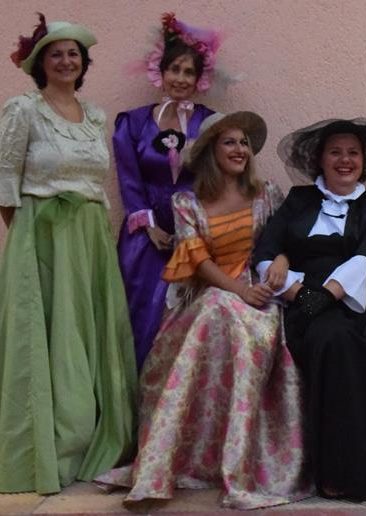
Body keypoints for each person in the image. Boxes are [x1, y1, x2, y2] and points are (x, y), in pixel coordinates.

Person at [96, 111, 309, 509]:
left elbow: (283, 240)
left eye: (244, 143)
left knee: (233, 320)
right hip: (211, 291)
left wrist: (280, 260)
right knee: (216, 308)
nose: (240, 149)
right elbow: (198, 260)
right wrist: (238, 291)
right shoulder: (187, 202)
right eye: (230, 142)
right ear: (212, 151)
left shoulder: (267, 194)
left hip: (261, 294)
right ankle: (163, 465)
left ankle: (239, 467)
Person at [0, 15, 137, 494]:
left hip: (89, 236)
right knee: (49, 334)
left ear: (83, 63)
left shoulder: (95, 115)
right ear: (40, 63)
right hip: (42, 234)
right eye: (55, 54)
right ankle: (47, 447)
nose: (65, 61)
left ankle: (92, 439)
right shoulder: (24, 110)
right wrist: (28, 242)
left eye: (73, 54)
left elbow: (95, 180)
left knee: (86, 331)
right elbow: (5, 180)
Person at [253, 118, 366, 500]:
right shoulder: (298, 199)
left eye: (353, 153)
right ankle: (335, 469)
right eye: (335, 152)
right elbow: (266, 250)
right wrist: (297, 291)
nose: (345, 160)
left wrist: (327, 295)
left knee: (362, 345)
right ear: (320, 159)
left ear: (364, 160)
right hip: (302, 298)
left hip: (357, 297)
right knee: (331, 340)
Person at [115, 13, 220, 370]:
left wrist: (194, 231)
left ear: (199, 78)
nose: (180, 78)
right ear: (160, 71)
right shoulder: (133, 122)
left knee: (186, 316)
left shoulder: (210, 122)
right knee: (141, 312)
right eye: (174, 69)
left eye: (188, 72)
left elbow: (215, 179)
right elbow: (129, 180)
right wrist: (149, 226)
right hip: (145, 235)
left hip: (194, 233)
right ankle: (134, 394)